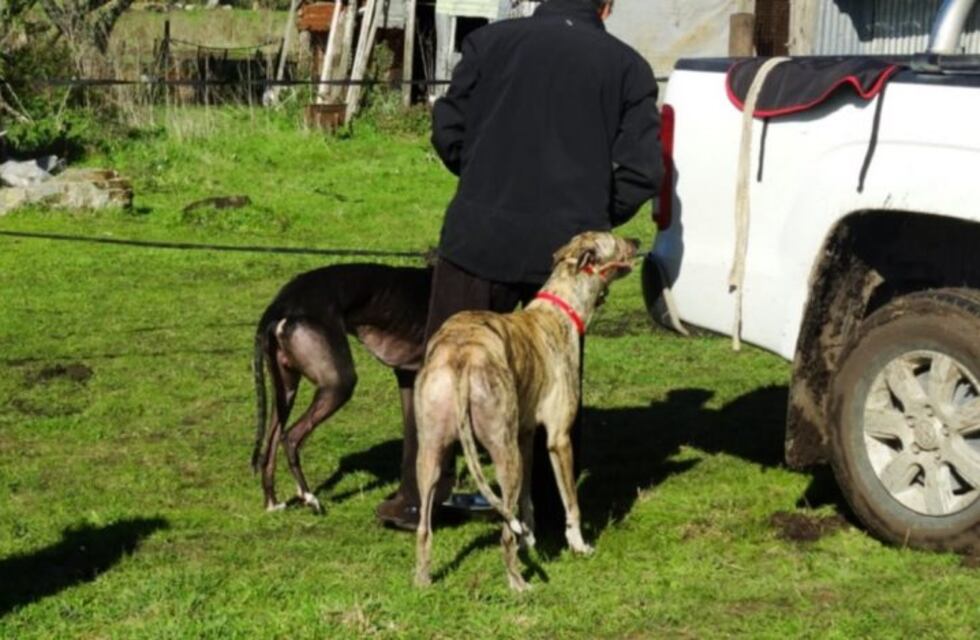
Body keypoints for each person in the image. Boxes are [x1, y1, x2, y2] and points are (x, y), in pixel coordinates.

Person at [376, 0, 664, 530]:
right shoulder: (628, 67)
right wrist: (593, 219)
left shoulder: (490, 44)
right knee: (555, 377)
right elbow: (645, 171)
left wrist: (482, 177)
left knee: (446, 361)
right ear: (607, 5)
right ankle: (550, 509)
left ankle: (420, 500)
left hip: (480, 234)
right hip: (564, 255)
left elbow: (447, 128)